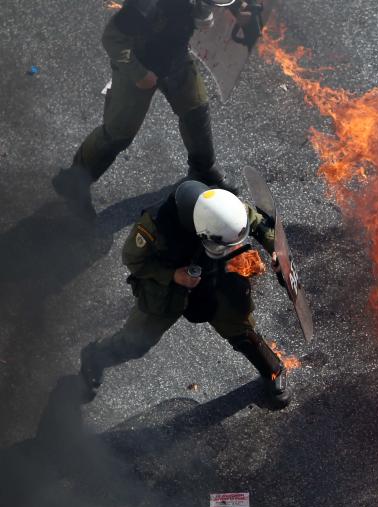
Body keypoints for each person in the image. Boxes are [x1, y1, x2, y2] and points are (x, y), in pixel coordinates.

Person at [79, 180, 292, 408]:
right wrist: (171, 275)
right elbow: (133, 260)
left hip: (209, 273)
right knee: (135, 343)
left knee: (240, 326)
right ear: (202, 229)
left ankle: (272, 370)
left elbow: (258, 223)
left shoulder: (222, 208)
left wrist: (277, 252)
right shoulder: (154, 225)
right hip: (165, 289)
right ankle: (94, 358)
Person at [52, 0, 249, 216]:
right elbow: (112, 39)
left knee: (196, 109)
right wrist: (139, 74)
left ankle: (203, 168)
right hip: (139, 62)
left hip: (175, 58)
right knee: (118, 133)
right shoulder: (146, 5)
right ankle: (74, 183)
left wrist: (237, 8)